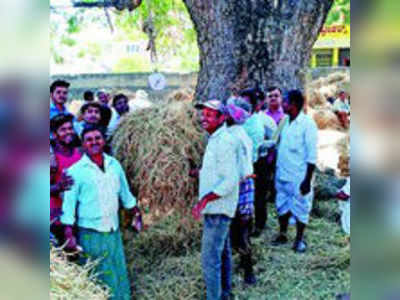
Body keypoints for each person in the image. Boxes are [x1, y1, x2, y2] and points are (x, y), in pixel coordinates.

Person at [60, 126, 141, 300]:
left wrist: (136, 213)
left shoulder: (114, 164)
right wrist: (69, 235)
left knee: (117, 271)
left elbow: (125, 194)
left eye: (97, 138)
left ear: (103, 140)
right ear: (83, 144)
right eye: (89, 139)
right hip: (91, 233)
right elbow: (68, 206)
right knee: (99, 278)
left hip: (113, 230)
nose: (94, 142)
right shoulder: (76, 171)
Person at [192, 100, 240, 300]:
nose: (204, 118)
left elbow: (229, 180)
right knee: (222, 254)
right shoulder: (215, 138)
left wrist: (204, 200)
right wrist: (200, 173)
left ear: (223, 118)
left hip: (218, 208)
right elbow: (219, 172)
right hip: (218, 206)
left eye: (210, 115)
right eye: (203, 114)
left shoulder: (225, 141)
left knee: (210, 259)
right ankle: (225, 294)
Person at [272, 90, 318, 253]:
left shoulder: (307, 124)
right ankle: (282, 233)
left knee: (301, 207)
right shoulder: (284, 121)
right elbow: (277, 143)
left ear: (294, 104)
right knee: (282, 205)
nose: (282, 105)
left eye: (285, 102)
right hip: (282, 173)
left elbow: (312, 156)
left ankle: (299, 239)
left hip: (299, 176)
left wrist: (307, 180)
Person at [225, 97, 257, 285]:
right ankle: (248, 271)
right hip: (246, 187)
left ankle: (244, 271)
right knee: (242, 231)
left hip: (235, 187)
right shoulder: (243, 134)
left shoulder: (231, 137)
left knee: (233, 232)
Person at [240, 88, 277, 237]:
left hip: (259, 164)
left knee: (259, 196)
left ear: (256, 105)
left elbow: (274, 140)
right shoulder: (238, 120)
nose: (243, 106)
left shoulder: (264, 121)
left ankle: (259, 225)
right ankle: (245, 224)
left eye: (247, 103)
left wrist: (265, 147)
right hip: (242, 164)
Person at [50, 114, 83, 245]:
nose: (68, 132)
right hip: (57, 217)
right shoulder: (50, 158)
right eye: (63, 129)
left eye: (70, 128)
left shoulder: (79, 153)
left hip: (78, 214)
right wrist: (58, 187)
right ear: (54, 134)